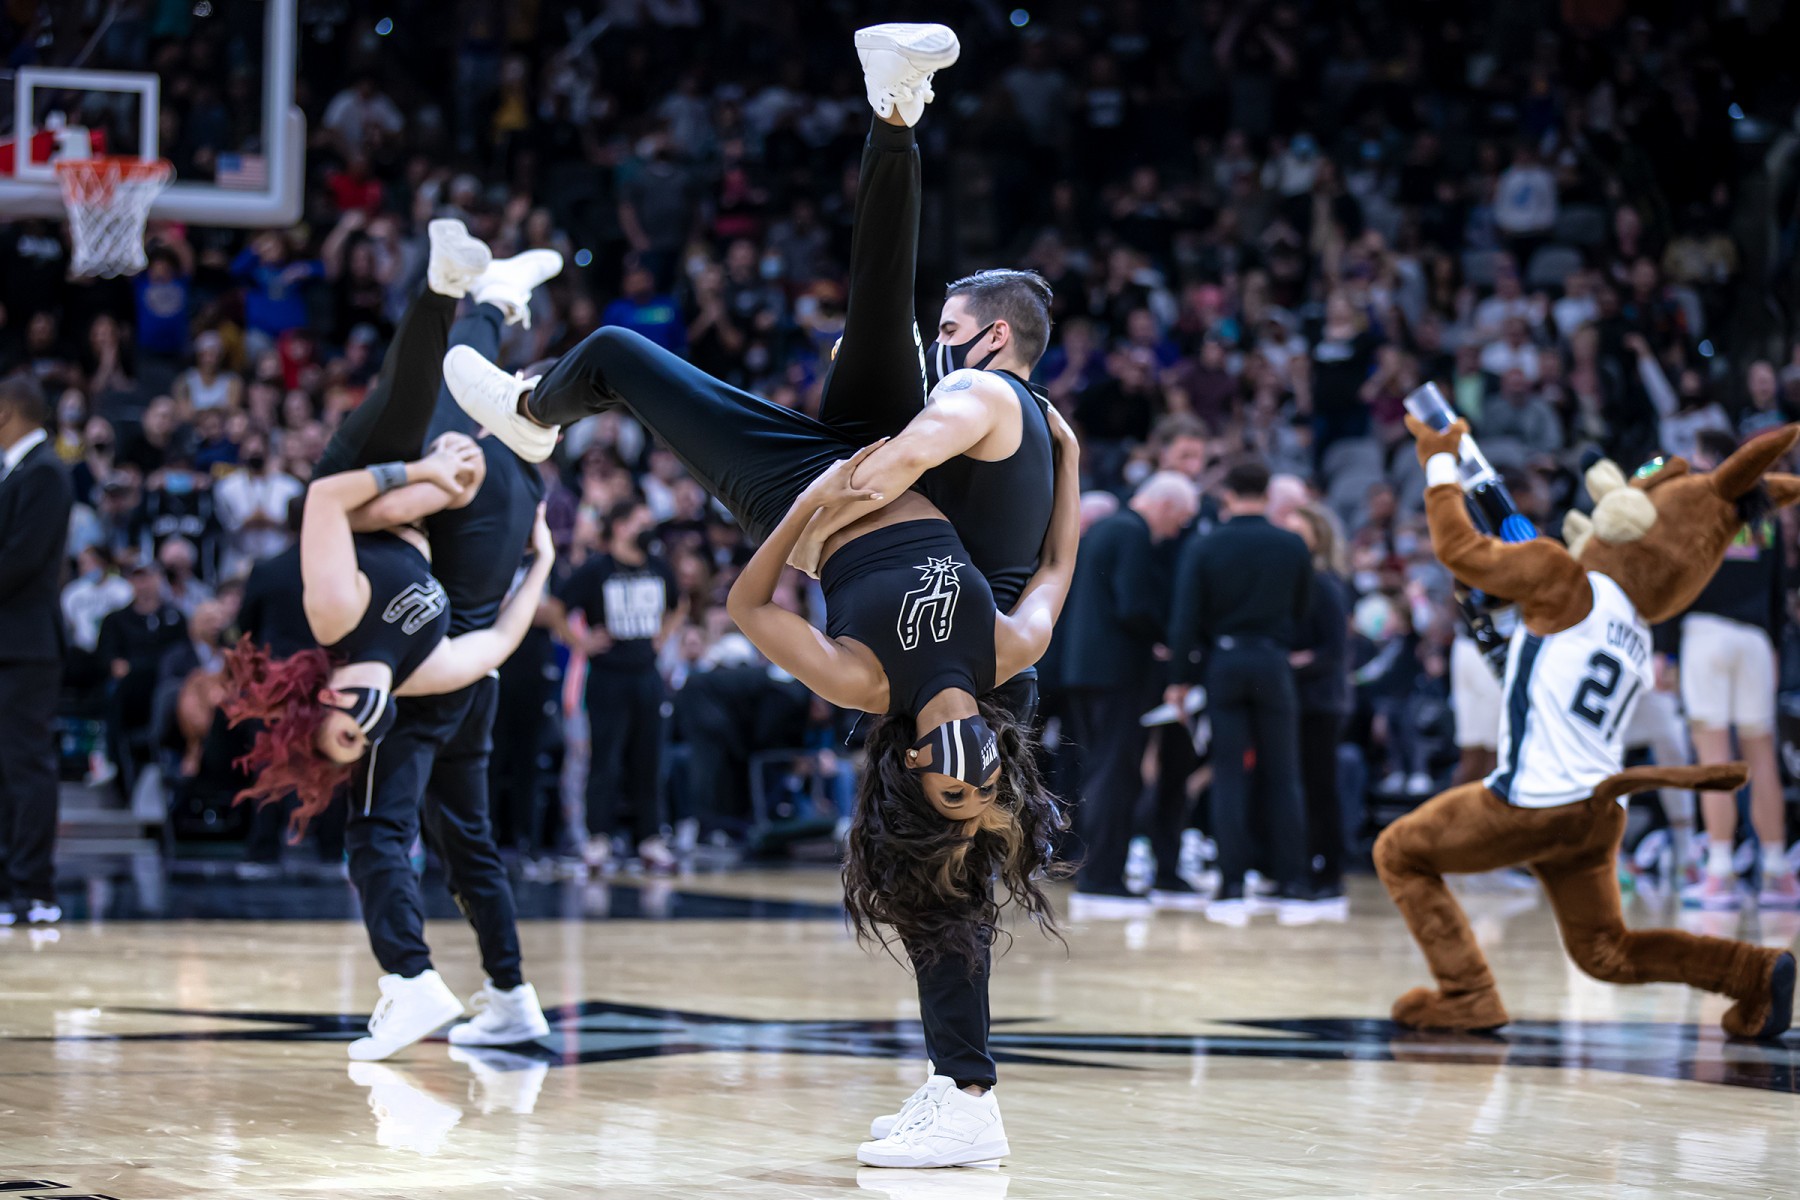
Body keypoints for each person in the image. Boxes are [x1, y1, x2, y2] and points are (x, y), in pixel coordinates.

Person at [441, 26, 1071, 1169]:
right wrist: (1056, 466)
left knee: (631, 355)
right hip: (895, 537)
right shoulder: (1019, 516)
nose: (940, 351)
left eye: (950, 337)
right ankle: (894, 113)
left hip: (833, 501)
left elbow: (809, 556)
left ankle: (533, 413)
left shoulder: (974, 412)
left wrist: (832, 500)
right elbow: (1054, 564)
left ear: (990, 339)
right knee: (869, 313)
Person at [222, 222, 555, 837]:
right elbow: (500, 640)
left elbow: (326, 503)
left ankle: (443, 284)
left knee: (409, 398)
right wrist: (545, 563)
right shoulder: (422, 672)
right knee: (464, 392)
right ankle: (495, 297)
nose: (368, 734)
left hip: (359, 477)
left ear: (326, 705)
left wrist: (422, 475)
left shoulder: (333, 620)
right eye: (363, 746)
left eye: (347, 736)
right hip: (420, 500)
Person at [1166, 458, 1315, 920]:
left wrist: (1178, 679)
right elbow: (1303, 609)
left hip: (1224, 663)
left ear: (1227, 495)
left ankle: (1231, 882)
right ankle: (1293, 880)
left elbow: (1185, 619)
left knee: (1229, 773)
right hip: (1273, 660)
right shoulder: (1292, 544)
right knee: (1284, 773)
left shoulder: (1206, 545)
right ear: (1268, 495)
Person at [1060, 472, 1199, 913]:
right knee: (1116, 773)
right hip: (1117, 673)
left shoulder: (1105, 529)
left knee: (1100, 769)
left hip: (1084, 670)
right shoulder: (1133, 533)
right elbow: (1134, 604)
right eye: (1179, 519)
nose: (1176, 530)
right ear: (1164, 506)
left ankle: (1095, 869)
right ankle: (1103, 876)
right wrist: (1166, 639)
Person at [1678, 431, 1797, 910]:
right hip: (1756, 642)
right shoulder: (1764, 511)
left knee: (1714, 760)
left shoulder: (1697, 505)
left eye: (1697, 456)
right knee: (1762, 756)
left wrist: (1663, 650)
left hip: (1705, 634)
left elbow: (1679, 579)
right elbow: (1779, 587)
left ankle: (1720, 873)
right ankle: (1776, 872)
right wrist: (1773, 645)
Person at [552, 498, 681, 872]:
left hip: (647, 675)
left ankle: (650, 839)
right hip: (607, 676)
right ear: (621, 526)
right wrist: (579, 642)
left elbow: (680, 604)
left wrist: (663, 635)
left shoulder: (658, 566)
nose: (649, 528)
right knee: (604, 760)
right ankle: (598, 839)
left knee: (649, 759)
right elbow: (557, 607)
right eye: (641, 521)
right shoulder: (597, 569)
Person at [0, 375, 74, 927]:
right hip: (10, 643)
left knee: (25, 766)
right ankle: (11, 884)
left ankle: (32, 888)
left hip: (25, 646)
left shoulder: (45, 471)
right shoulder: (19, 471)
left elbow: (22, 559)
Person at [1282, 502, 1354, 904]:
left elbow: (1334, 651)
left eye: (1299, 532)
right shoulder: (1297, 580)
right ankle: (1304, 867)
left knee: (1320, 787)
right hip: (1300, 699)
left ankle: (1330, 870)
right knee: (1302, 788)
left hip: (1321, 702)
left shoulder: (1324, 583)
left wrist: (1294, 662)